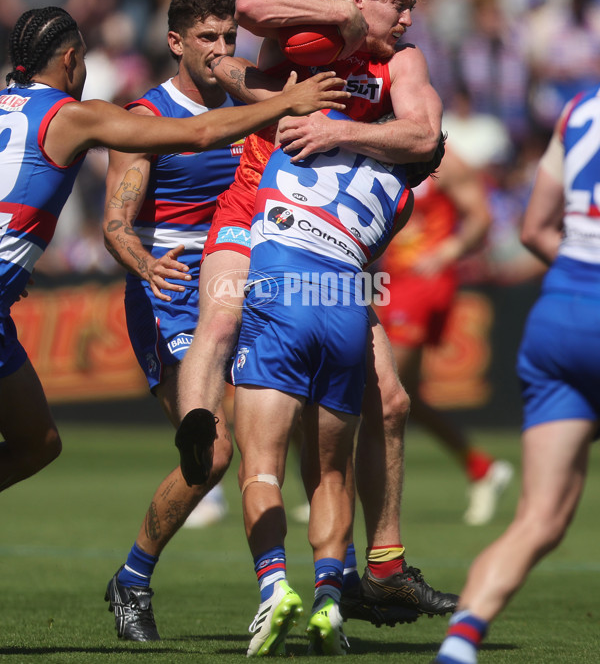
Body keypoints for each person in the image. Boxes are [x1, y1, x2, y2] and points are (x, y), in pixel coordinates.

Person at [175, 0, 458, 629]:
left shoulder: (404, 60)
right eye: (399, 5)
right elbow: (249, 8)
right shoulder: (313, 22)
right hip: (256, 205)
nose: (408, 20)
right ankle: (198, 445)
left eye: (413, 8)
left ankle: (380, 568)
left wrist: (338, 133)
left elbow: (425, 137)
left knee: (388, 400)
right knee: (218, 322)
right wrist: (337, 21)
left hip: (333, 240)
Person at [0, 5, 348, 497]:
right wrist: (289, 100)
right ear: (72, 60)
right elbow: (198, 133)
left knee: (37, 443)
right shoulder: (75, 115)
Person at [99, 0, 351, 641]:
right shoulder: (144, 116)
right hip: (173, 287)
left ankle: (315, 581)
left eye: (227, 39)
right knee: (210, 453)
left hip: (251, 277)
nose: (219, 50)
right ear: (177, 43)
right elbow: (117, 223)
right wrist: (143, 262)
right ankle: (131, 580)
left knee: (299, 421)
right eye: (206, 39)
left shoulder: (257, 101)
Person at [233, 109, 415, 656]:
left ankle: (273, 588)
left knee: (261, 466)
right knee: (331, 474)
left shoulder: (313, 119)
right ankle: (330, 600)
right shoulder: (403, 197)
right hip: (344, 306)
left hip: (281, 287)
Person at [433, 87, 600, 663]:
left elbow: (534, 230)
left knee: (538, 520)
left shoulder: (581, 108)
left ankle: (460, 642)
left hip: (559, 317)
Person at [374, 143, 514, 526]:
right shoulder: (379, 146)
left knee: (383, 388)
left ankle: (343, 486)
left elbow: (481, 217)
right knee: (405, 394)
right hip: (392, 280)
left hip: (424, 282)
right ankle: (481, 467)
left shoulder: (447, 161)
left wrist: (448, 252)